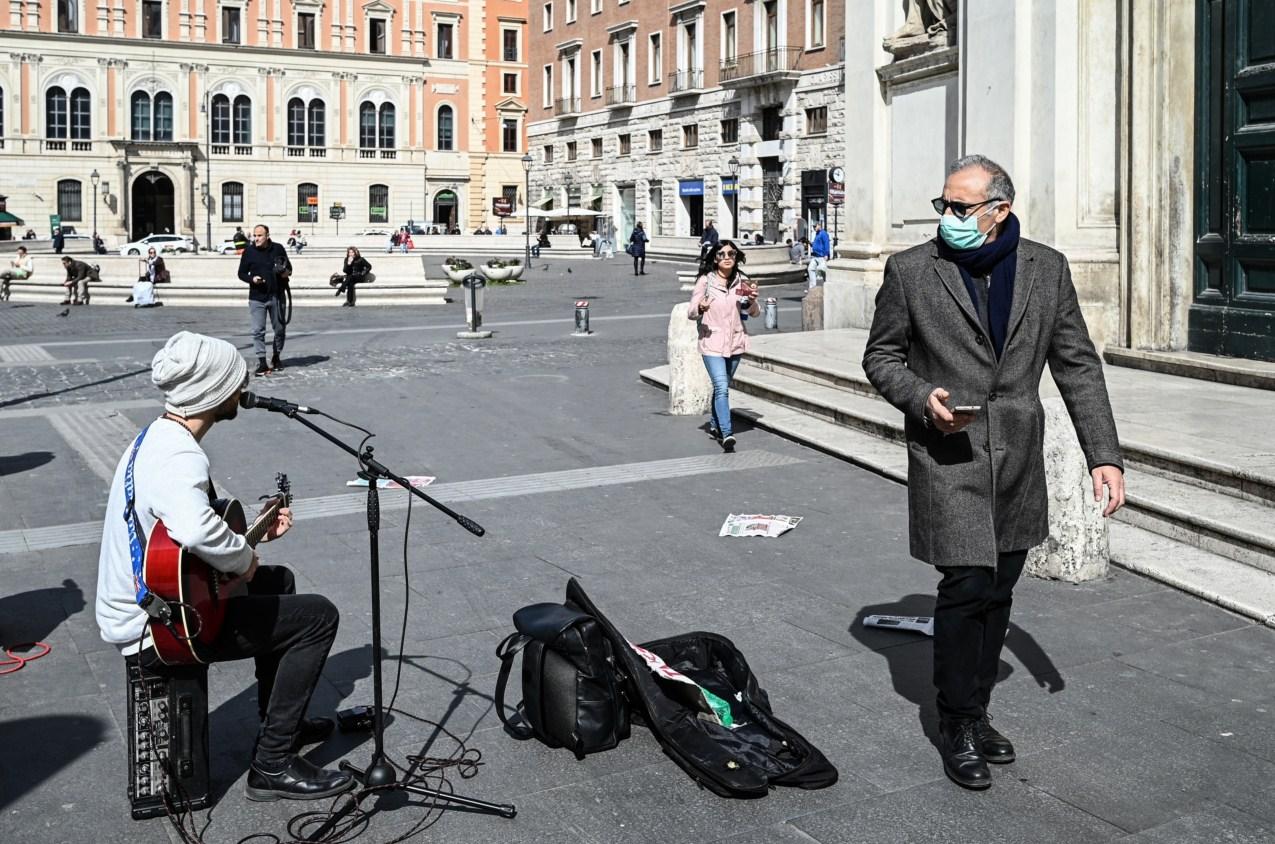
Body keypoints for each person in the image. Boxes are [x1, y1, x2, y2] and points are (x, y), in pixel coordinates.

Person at [862, 154, 1126, 791]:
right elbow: (881, 356)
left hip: (1017, 458)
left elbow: (1077, 367)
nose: (946, 216)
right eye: (943, 204)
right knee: (965, 585)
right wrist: (921, 396)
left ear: (998, 209)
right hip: (948, 455)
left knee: (1001, 587)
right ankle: (954, 721)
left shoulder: (1046, 268)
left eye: (959, 207)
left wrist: (1105, 455)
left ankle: (977, 711)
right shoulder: (911, 271)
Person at [94, 331, 352, 803]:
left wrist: (252, 536)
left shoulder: (155, 437)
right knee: (318, 616)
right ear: (213, 393)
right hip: (158, 627)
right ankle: (272, 766)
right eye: (235, 382)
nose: (243, 389)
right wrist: (244, 558)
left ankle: (283, 727)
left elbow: (186, 529)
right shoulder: (178, 455)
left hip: (155, 602)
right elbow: (194, 531)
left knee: (283, 582)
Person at [687, 240, 759, 453]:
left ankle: (714, 425)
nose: (727, 257)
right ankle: (727, 433)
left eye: (731, 254)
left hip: (736, 342)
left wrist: (753, 301)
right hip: (712, 342)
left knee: (722, 387)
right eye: (721, 254)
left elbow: (754, 313)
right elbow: (691, 312)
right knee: (721, 387)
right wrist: (700, 306)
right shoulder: (705, 281)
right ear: (715, 258)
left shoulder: (741, 281)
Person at [237, 224, 292, 376]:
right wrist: (252, 279)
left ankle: (276, 356)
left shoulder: (278, 248)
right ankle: (262, 362)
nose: (256, 238)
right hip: (257, 297)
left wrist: (283, 272)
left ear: (267, 235)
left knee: (280, 329)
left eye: (260, 235)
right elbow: (241, 273)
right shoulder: (249, 251)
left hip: (277, 295)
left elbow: (290, 270)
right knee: (258, 331)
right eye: (255, 235)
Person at [807, 223, 831, 289]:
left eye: (815, 226)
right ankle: (812, 287)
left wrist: (826, 254)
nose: (814, 228)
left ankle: (828, 285)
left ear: (819, 225)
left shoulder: (823, 233)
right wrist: (810, 243)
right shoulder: (817, 234)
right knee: (810, 269)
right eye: (813, 227)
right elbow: (816, 244)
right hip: (815, 256)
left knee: (822, 271)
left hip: (821, 256)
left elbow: (826, 244)